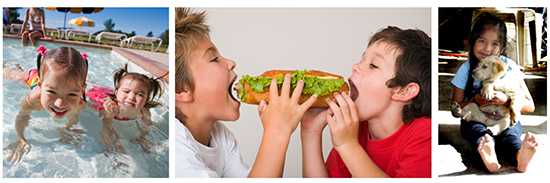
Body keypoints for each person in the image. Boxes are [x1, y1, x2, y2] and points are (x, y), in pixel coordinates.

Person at [174, 8, 317, 177]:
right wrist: (276, 132)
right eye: (214, 59)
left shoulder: (220, 135)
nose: (231, 63)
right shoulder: (176, 150)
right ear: (182, 89)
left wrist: (305, 129)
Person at [301, 26, 432, 178]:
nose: (355, 67)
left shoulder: (426, 136)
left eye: (373, 65)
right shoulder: (354, 130)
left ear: (404, 91)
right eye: (362, 59)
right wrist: (310, 131)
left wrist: (348, 145)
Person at [450, 12, 537, 173]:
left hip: (505, 117)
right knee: (474, 128)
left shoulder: (510, 67)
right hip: (479, 118)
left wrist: (506, 100)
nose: (488, 49)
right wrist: (475, 100)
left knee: (511, 134)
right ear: (472, 41)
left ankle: (521, 156)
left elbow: (529, 105)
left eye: (495, 44)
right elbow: (456, 110)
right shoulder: (466, 69)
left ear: (502, 47)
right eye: (481, 41)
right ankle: (487, 146)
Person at [5, 45, 89, 164]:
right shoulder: (34, 99)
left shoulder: (80, 103)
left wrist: (67, 129)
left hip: (47, 78)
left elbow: (73, 116)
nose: (60, 104)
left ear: (82, 90)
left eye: (71, 95)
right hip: (31, 77)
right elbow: (22, 115)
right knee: (12, 74)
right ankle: (12, 67)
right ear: (41, 84)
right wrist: (21, 138)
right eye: (52, 92)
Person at [86, 64, 164, 153]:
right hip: (99, 96)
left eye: (140, 94)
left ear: (146, 99)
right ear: (116, 92)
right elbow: (105, 129)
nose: (131, 97)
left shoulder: (144, 112)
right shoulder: (112, 108)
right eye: (126, 91)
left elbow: (147, 127)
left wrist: (142, 138)